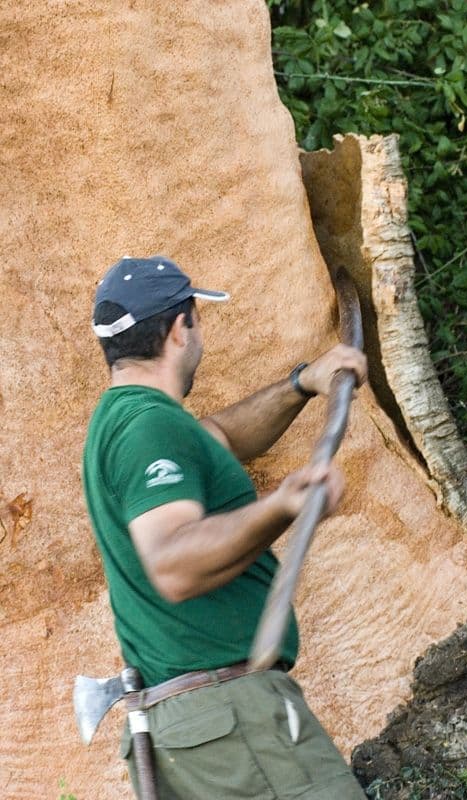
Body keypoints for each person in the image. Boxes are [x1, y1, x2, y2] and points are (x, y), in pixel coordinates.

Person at [83, 255, 368, 800]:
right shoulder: (148, 428)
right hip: (232, 718)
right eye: (197, 322)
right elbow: (172, 564)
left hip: (197, 728)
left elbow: (221, 439)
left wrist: (302, 382)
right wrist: (281, 505)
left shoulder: (131, 421)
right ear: (178, 328)